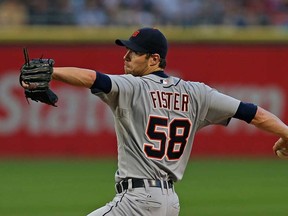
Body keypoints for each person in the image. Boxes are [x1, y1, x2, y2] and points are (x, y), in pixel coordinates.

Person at [21, 27, 288, 216]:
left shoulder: (132, 87)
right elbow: (255, 114)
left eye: (133, 53)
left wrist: (53, 72)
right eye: (126, 50)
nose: (125, 57)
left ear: (154, 59)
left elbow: (94, 78)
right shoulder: (197, 93)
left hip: (137, 201)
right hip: (169, 203)